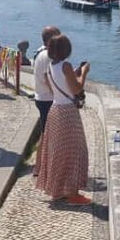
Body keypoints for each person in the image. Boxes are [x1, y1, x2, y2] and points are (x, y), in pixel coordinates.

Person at [35, 34, 92, 205]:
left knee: (58, 152)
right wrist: (84, 73)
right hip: (68, 112)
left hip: (55, 109)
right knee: (74, 151)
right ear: (67, 49)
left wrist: (74, 74)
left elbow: (57, 85)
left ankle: (57, 189)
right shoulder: (66, 65)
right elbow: (77, 89)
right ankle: (72, 193)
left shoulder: (52, 65)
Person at [33, 26, 62, 133]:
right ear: (51, 39)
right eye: (58, 37)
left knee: (46, 132)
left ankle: (43, 149)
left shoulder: (39, 51)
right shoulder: (48, 56)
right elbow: (48, 79)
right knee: (49, 134)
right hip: (47, 98)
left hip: (41, 96)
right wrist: (58, 96)